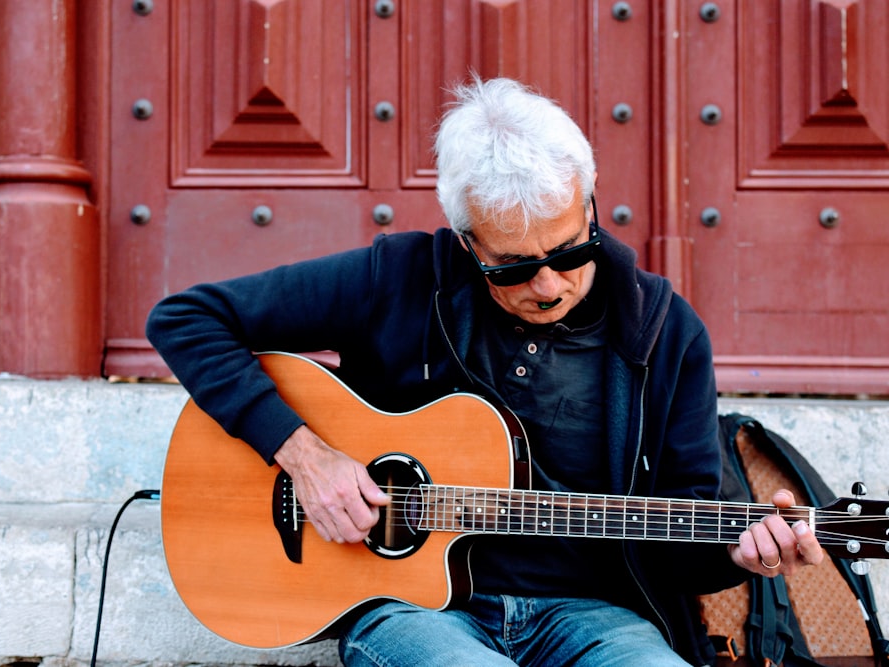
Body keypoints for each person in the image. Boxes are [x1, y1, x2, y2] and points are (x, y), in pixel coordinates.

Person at [146, 76, 823, 666]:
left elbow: (684, 532)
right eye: (515, 267)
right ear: (468, 242)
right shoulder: (400, 278)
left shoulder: (668, 334)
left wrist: (740, 553)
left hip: (593, 617)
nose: (551, 285)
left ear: (589, 204)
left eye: (570, 250)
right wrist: (305, 455)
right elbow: (185, 319)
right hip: (417, 614)